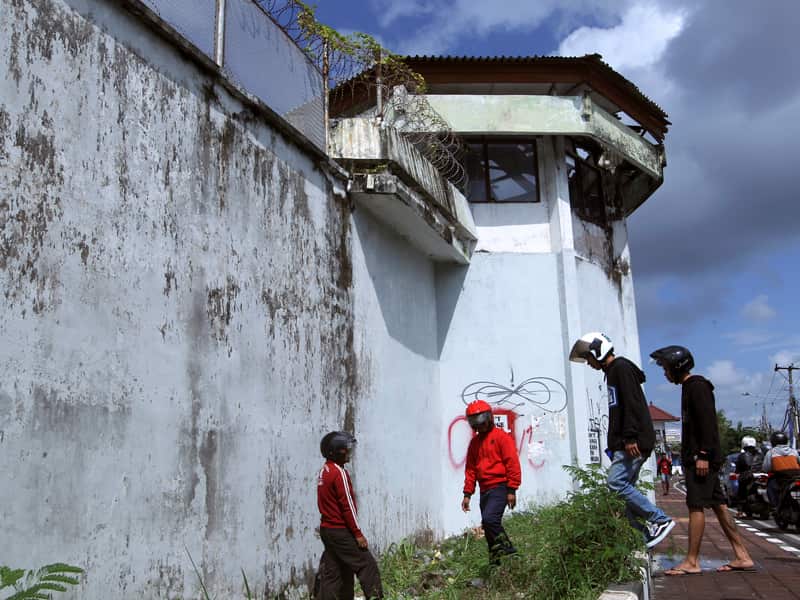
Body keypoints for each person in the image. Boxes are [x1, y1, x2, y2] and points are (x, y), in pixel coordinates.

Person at [650, 345, 754, 575]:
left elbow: (707, 422)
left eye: (666, 369)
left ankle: (692, 561)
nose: (665, 374)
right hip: (700, 457)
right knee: (719, 506)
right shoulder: (690, 387)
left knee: (695, 506)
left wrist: (703, 455)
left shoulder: (697, 387)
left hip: (701, 458)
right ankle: (742, 555)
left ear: (678, 367)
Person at [569, 332, 674, 549]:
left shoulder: (621, 369)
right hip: (625, 441)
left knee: (615, 483)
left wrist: (629, 437)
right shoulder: (613, 371)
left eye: (589, 359)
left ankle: (659, 520)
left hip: (632, 441)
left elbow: (631, 405)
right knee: (621, 494)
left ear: (598, 352)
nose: (588, 364)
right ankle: (642, 538)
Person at [315, 431, 383, 600]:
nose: (349, 452)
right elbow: (348, 507)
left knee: (335, 571)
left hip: (327, 530)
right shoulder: (339, 473)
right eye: (346, 449)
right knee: (367, 565)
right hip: (340, 530)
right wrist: (357, 534)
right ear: (336, 451)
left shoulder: (325, 471)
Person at [461, 399, 521, 564]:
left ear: (489, 418)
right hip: (484, 490)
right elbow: (471, 469)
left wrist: (511, 490)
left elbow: (512, 463)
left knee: (489, 520)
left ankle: (511, 554)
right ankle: (496, 564)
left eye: (481, 421)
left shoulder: (502, 438)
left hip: (500, 488)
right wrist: (467, 494)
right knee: (488, 529)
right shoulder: (474, 444)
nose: (479, 426)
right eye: (475, 423)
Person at [762, 431, 800, 508]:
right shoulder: (793, 451)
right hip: (795, 477)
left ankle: (775, 506)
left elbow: (766, 468)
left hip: (780, 478)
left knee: (770, 485)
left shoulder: (771, 452)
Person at [734, 436, 761, 518]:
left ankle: (740, 511)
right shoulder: (760, 454)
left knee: (741, 491)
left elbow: (738, 469)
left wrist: (737, 472)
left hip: (747, 476)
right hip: (760, 475)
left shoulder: (741, 455)